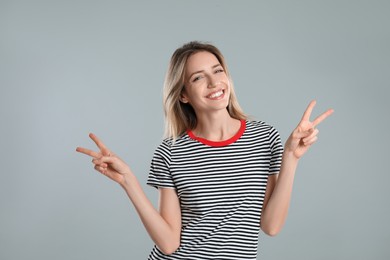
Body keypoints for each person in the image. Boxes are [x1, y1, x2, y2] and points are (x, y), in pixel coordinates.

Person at [76, 41, 333, 259]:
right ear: (184, 94)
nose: (214, 82)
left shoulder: (264, 138)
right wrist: (128, 181)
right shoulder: (171, 152)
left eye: (218, 71)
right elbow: (168, 244)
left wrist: (291, 157)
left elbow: (271, 226)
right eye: (198, 77)